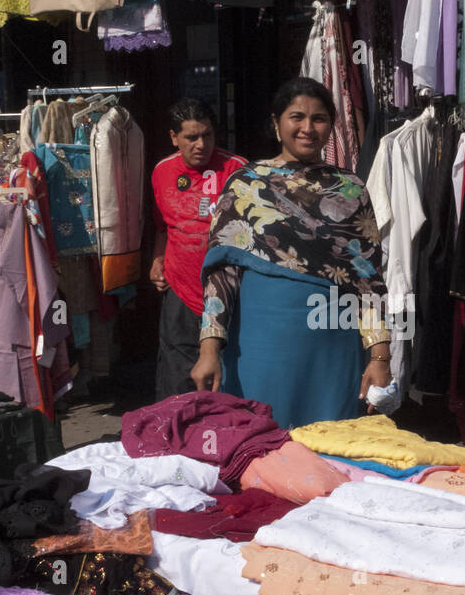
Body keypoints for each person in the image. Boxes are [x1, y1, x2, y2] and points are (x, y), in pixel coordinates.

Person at [191, 77, 392, 428]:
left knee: (330, 453)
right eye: (296, 117)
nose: (307, 128)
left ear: (331, 125)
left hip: (333, 345)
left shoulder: (351, 188)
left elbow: (368, 278)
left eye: (319, 119)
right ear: (276, 122)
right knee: (262, 447)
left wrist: (380, 355)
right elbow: (221, 276)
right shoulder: (245, 185)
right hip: (261, 346)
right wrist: (209, 348)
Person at [151, 98, 246, 400]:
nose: (201, 144)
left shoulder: (239, 171)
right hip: (180, 291)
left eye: (207, 135)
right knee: (177, 378)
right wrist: (156, 259)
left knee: (226, 375)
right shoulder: (162, 172)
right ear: (174, 137)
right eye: (191, 137)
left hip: (230, 294)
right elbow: (162, 226)